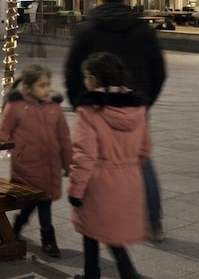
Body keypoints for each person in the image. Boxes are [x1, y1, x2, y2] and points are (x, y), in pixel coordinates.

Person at [65, 0, 167, 241]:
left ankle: (100, 217)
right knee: (140, 159)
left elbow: (71, 70)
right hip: (133, 103)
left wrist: (80, 102)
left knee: (93, 158)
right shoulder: (143, 30)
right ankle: (153, 222)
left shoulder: (87, 30)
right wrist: (144, 101)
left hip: (96, 103)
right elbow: (159, 71)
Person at [68, 52, 150, 279]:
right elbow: (145, 149)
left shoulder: (89, 111)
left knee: (91, 229)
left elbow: (84, 155)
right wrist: (126, 167)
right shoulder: (137, 109)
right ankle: (126, 273)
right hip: (129, 179)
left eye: (86, 76)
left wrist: (76, 190)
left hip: (98, 182)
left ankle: (95, 275)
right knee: (111, 231)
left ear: (93, 79)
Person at [0, 63, 72, 258]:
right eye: (42, 85)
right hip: (26, 166)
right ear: (28, 88)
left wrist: (68, 163)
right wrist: (5, 147)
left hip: (50, 166)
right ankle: (42, 237)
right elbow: (3, 130)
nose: (47, 89)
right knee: (33, 202)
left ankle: (26, 233)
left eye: (48, 85)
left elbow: (64, 137)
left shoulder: (54, 107)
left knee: (42, 201)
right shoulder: (16, 106)